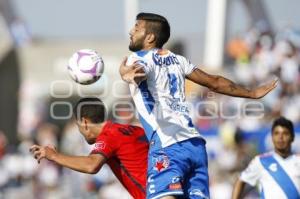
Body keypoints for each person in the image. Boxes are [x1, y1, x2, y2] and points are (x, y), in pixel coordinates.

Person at [119, 12, 278, 199]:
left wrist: (126, 73)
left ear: (150, 37)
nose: (131, 31)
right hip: (195, 146)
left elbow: (139, 69)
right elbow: (215, 82)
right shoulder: (178, 60)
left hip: (167, 143)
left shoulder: (138, 58)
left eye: (137, 28)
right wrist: (251, 93)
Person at [30, 97, 148, 199]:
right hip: (163, 188)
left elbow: (91, 165)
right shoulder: (135, 130)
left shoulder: (109, 135)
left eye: (78, 126)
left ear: (84, 122)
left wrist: (54, 156)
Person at [232, 117, 300, 199]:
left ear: (292, 137)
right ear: (272, 137)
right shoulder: (261, 161)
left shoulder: (298, 160)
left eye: (285, 133)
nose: (280, 137)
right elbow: (241, 181)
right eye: (276, 133)